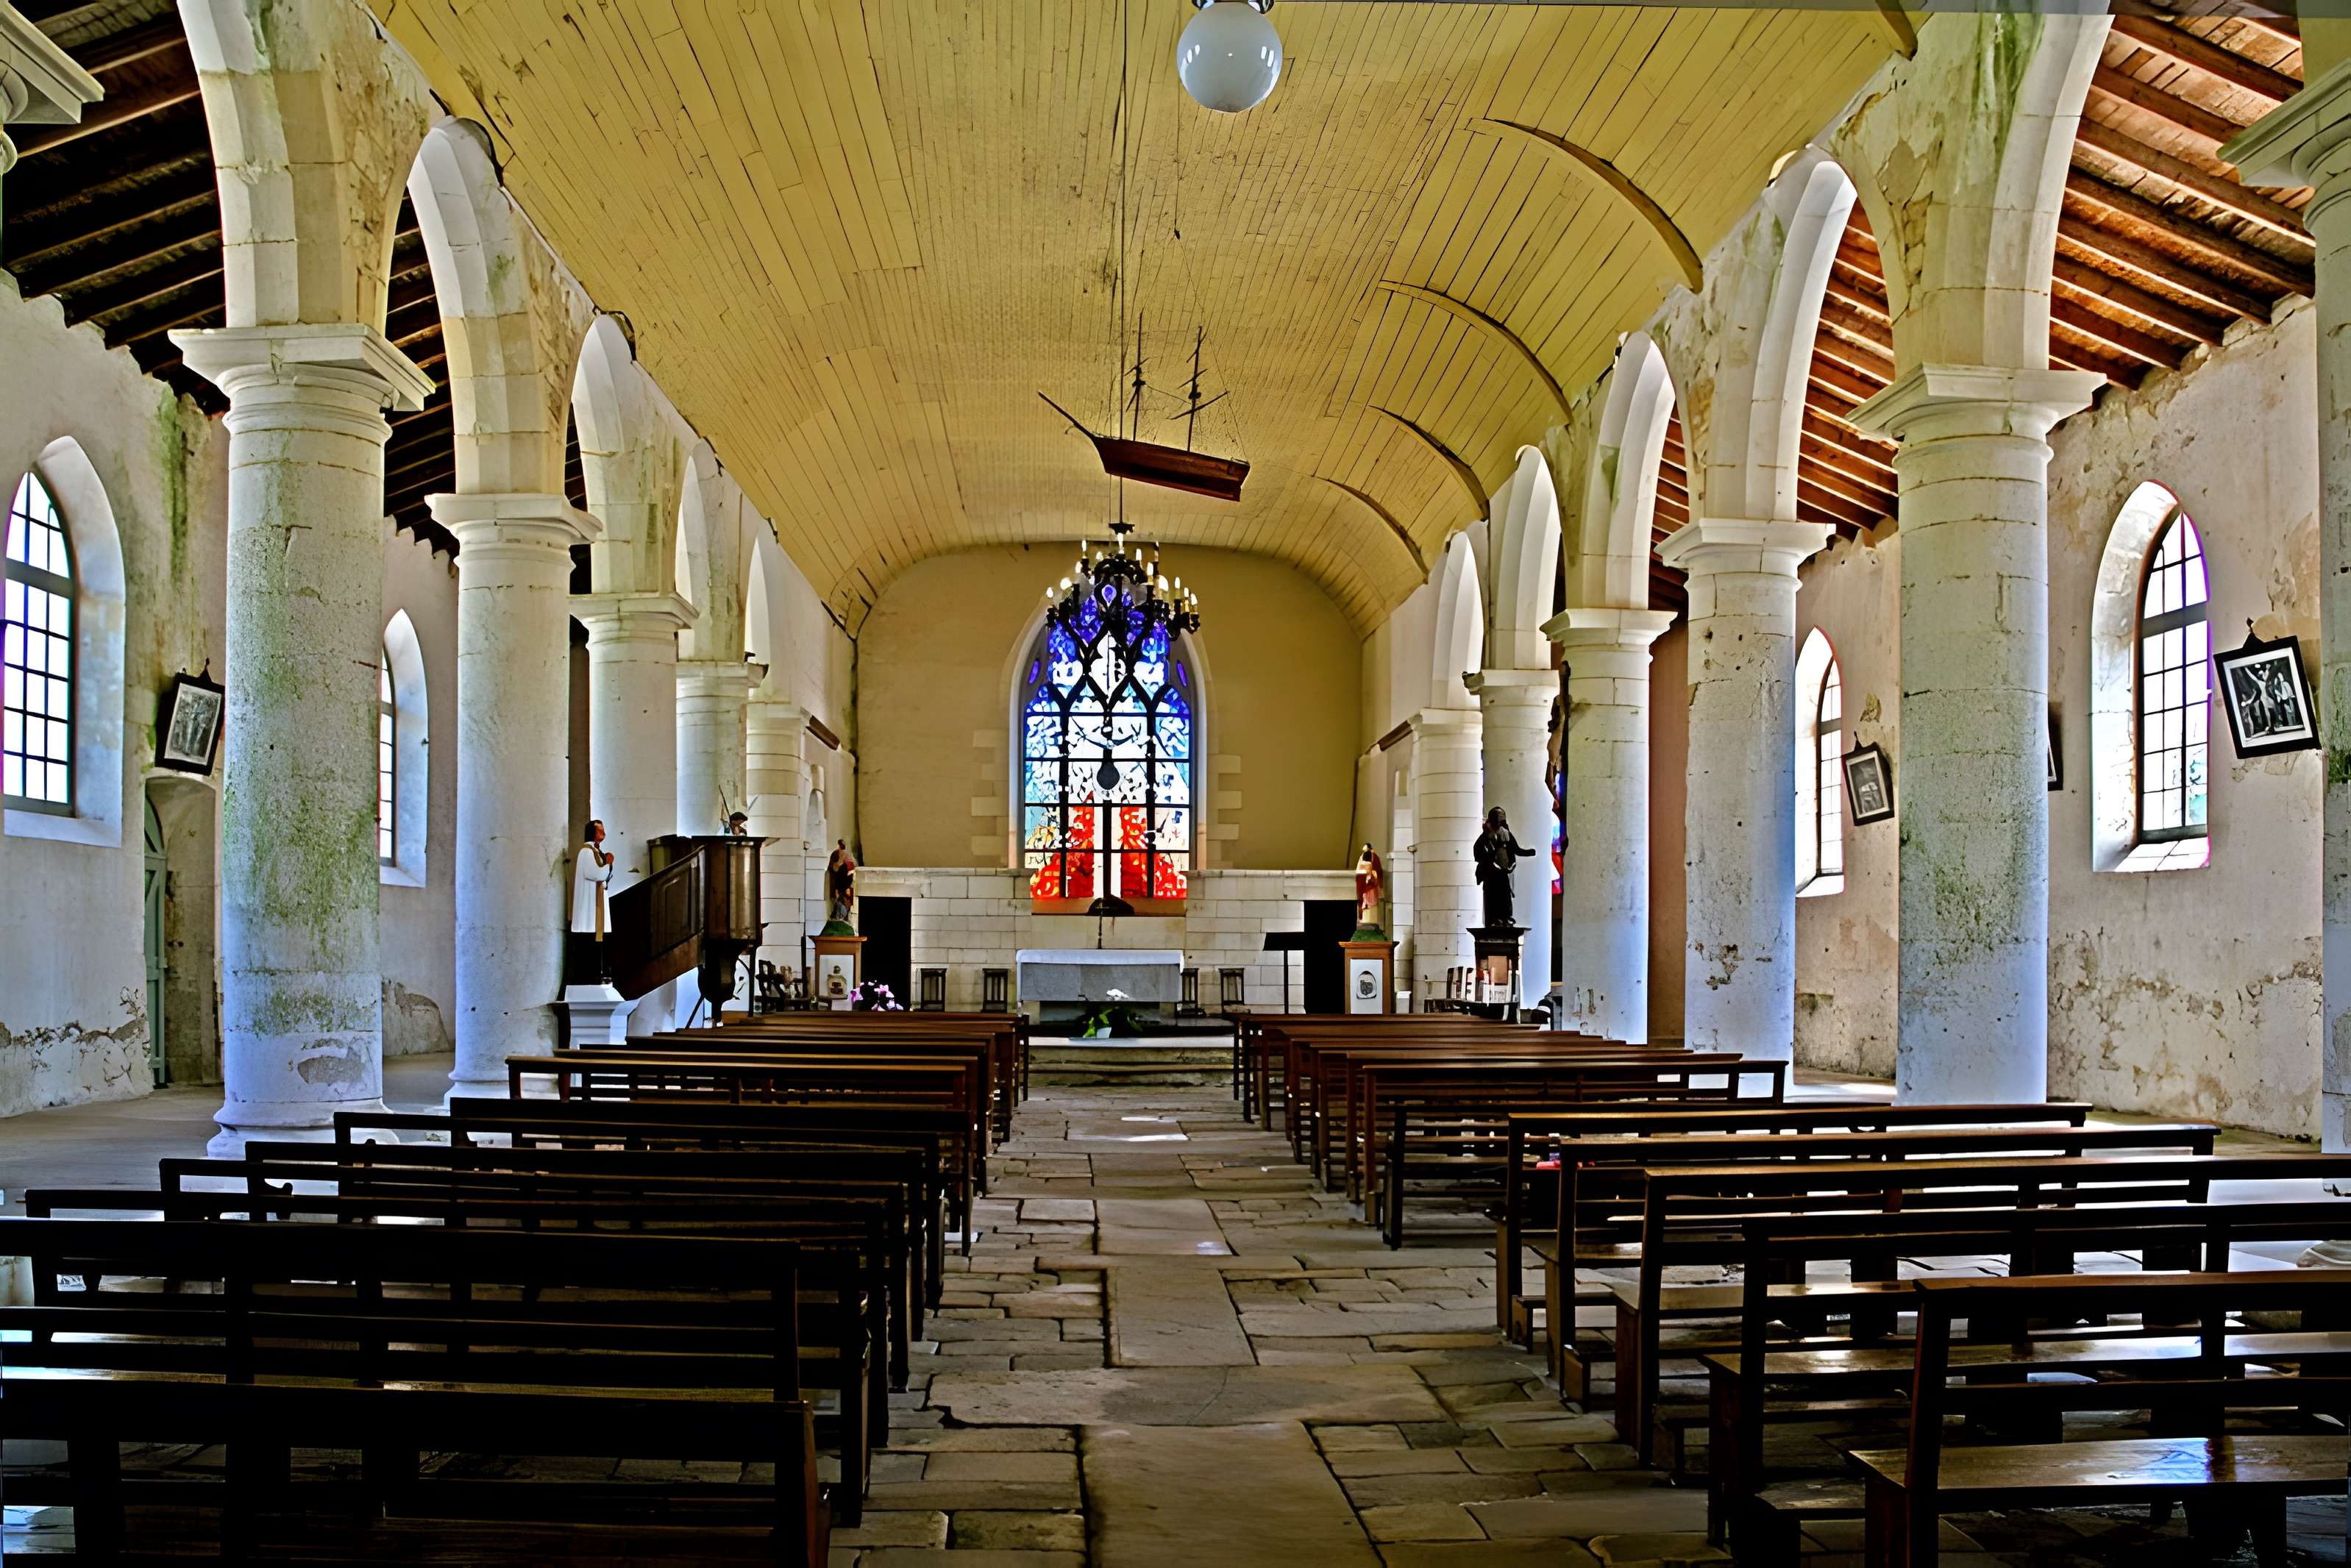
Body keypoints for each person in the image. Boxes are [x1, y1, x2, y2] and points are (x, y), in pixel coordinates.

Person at [566, 819, 615, 985]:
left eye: (603, 829)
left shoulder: (595, 851)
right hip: (589, 906)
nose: (603, 832)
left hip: (598, 901)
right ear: (592, 833)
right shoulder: (586, 852)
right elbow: (596, 874)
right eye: (599, 830)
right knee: (588, 940)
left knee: (600, 940)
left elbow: (604, 878)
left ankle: (600, 974)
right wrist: (609, 862)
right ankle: (589, 976)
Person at [1472, 806, 1534, 930]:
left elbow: (1515, 850)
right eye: (1499, 819)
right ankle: (1493, 920)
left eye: (1503, 819)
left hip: (1503, 872)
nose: (1501, 822)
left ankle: (1506, 918)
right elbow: (1479, 853)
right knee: (1492, 897)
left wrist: (1530, 853)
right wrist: (1492, 863)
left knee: (1505, 895)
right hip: (1490, 874)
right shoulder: (1485, 837)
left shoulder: (1506, 834)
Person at [825, 840, 858, 930]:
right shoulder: (837, 854)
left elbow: (852, 871)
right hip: (839, 888)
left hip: (844, 889)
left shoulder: (847, 856)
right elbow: (833, 870)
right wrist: (840, 862)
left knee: (843, 907)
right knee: (838, 907)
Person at [1352, 843, 1385, 936]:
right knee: (1369, 907)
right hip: (1369, 890)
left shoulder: (1367, 862)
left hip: (1366, 890)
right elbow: (1374, 875)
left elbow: (1361, 874)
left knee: (1366, 907)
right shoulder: (1370, 863)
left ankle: (1366, 923)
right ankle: (1369, 923)